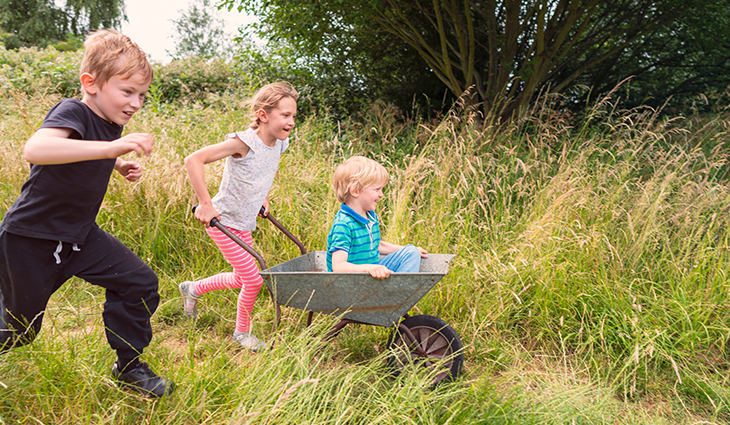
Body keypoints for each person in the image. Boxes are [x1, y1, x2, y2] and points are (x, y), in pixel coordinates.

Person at [0, 30, 174, 398]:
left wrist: (116, 162)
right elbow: (37, 149)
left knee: (139, 284)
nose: (136, 103)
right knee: (19, 329)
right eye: (127, 92)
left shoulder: (108, 126)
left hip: (79, 236)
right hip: (32, 237)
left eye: (142, 95)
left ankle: (129, 367)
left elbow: (85, 148)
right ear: (90, 83)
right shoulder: (72, 110)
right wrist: (112, 148)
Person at [179, 82, 298, 352]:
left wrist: (263, 197)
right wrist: (205, 205)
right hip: (222, 222)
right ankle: (241, 333)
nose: (291, 122)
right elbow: (193, 160)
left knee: (240, 278)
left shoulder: (281, 144)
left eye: (293, 116)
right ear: (263, 115)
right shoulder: (243, 143)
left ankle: (192, 289)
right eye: (285, 115)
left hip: (244, 223)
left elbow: (265, 171)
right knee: (254, 279)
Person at [326, 156, 428, 279]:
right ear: (355, 191)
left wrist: (409, 250)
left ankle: (400, 290)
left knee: (411, 252)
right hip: (351, 280)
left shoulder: (370, 216)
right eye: (377, 189)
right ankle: (397, 292)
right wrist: (369, 268)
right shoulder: (344, 224)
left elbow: (376, 245)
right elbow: (338, 266)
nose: (381, 194)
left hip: (371, 271)